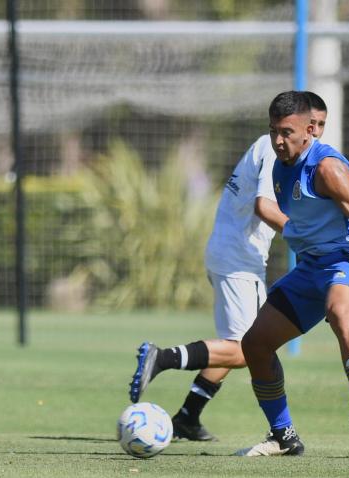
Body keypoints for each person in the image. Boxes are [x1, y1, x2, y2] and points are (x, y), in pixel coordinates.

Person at [128, 92, 328, 442]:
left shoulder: (286, 151)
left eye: (323, 126)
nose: (318, 132)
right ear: (300, 124)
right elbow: (263, 207)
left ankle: (188, 416)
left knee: (236, 343)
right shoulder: (273, 149)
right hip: (239, 258)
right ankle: (163, 358)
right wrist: (306, 237)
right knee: (249, 347)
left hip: (230, 253)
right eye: (316, 124)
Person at [234, 90, 349, 457]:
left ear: (310, 130)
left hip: (348, 259)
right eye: (274, 131)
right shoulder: (281, 166)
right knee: (254, 345)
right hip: (311, 266)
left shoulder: (328, 169)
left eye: (287, 132)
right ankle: (283, 436)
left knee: (339, 311)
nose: (278, 140)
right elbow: (299, 221)